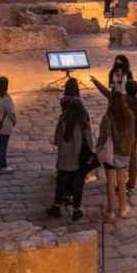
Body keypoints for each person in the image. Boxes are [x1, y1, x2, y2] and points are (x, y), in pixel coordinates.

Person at [47, 78, 92, 221]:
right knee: (78, 185)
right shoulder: (83, 123)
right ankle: (76, 209)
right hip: (78, 159)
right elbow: (89, 140)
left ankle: (57, 206)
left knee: (61, 182)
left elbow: (57, 139)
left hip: (64, 159)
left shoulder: (63, 121)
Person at [97, 92, 134, 222]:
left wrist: (98, 148)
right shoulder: (129, 115)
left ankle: (110, 211)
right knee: (121, 181)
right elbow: (131, 136)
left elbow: (103, 136)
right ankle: (123, 208)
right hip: (124, 153)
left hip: (111, 153)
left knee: (110, 183)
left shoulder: (108, 117)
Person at [0, 76, 17, 174]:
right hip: (5, 126)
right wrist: (14, 120)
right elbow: (10, 112)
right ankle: (2, 167)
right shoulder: (5, 99)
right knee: (3, 146)